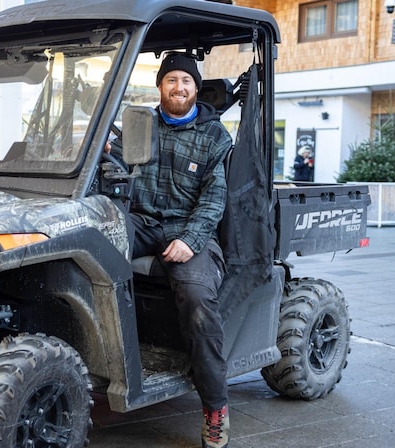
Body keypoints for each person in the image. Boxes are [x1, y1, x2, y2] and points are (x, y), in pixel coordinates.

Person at [108, 52, 232, 448]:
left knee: (197, 297)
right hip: (141, 221)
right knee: (89, 248)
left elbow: (215, 200)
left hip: (188, 228)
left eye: (186, 81)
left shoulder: (215, 136)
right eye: (171, 80)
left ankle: (215, 406)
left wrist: (190, 241)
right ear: (160, 86)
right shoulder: (138, 125)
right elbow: (110, 166)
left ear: (196, 88)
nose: (178, 87)